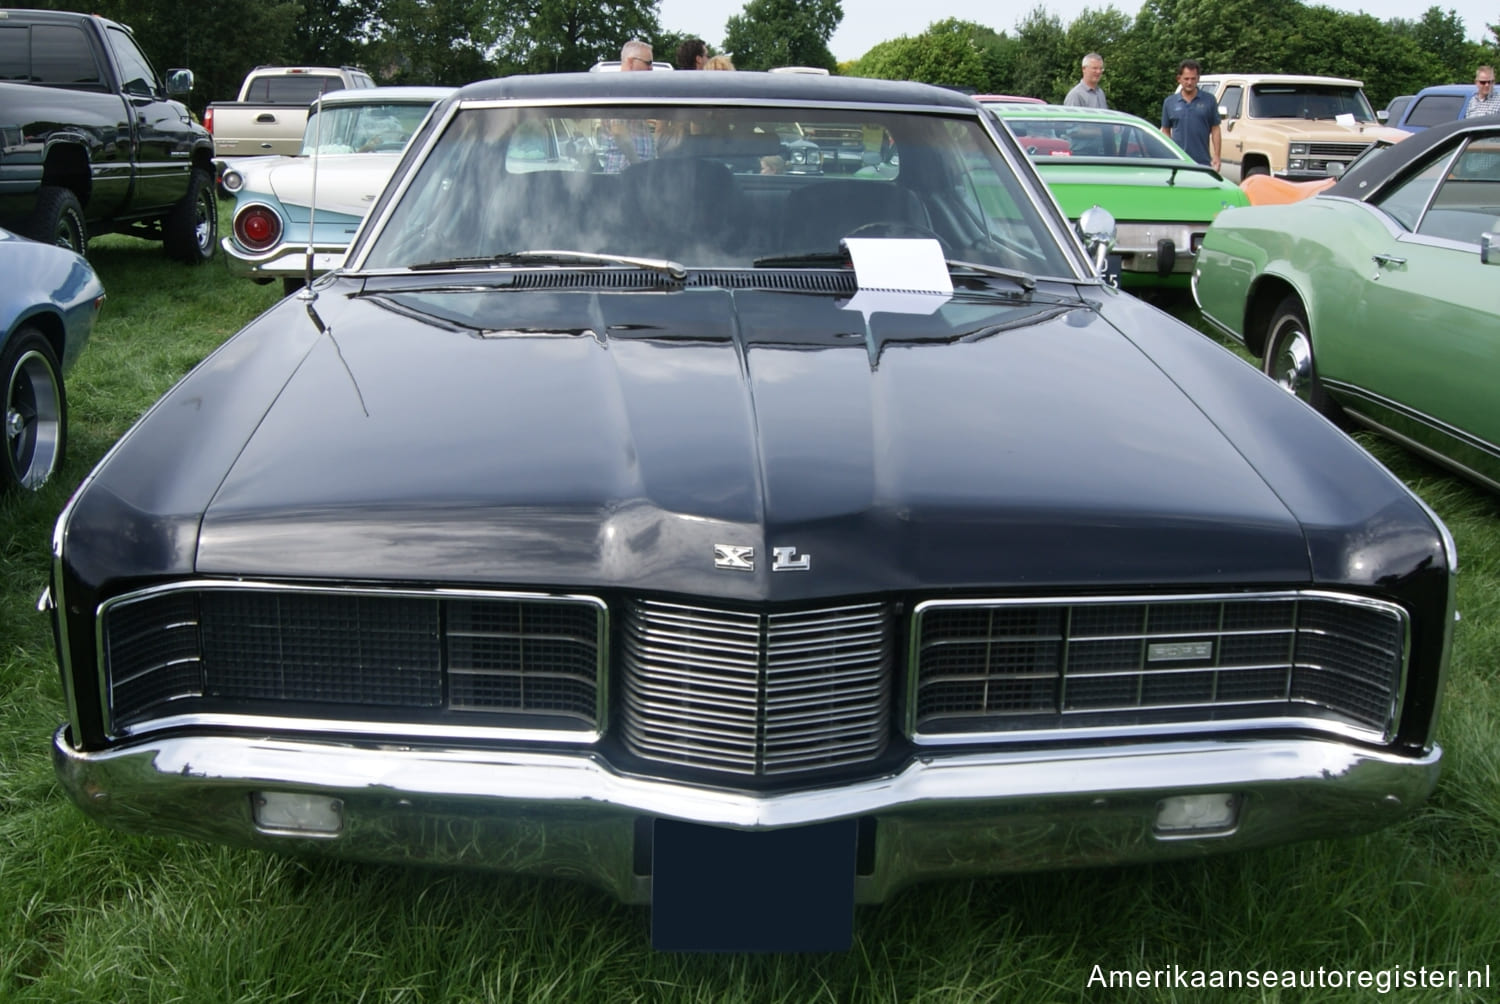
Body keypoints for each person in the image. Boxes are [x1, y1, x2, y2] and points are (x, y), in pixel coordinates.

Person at [600, 40, 656, 172]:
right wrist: (637, 165)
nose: (651, 68)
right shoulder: (621, 89)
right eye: (648, 63)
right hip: (625, 174)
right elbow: (618, 131)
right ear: (631, 62)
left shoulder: (632, 91)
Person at [1161, 59, 1220, 170]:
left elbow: (1215, 129)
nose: (1189, 82)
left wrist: (1217, 156)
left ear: (1198, 79)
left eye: (1193, 79)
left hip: (1202, 162)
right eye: (1186, 79)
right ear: (1179, 79)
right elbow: (1165, 131)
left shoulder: (1209, 100)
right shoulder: (1169, 102)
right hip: (1178, 162)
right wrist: (1169, 155)